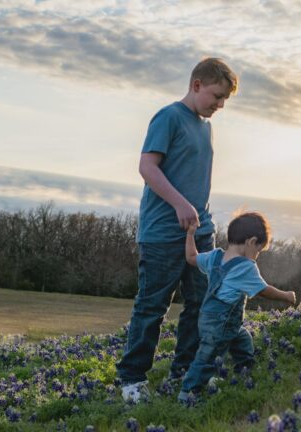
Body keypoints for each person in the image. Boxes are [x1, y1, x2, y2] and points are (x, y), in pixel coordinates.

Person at [117, 58, 239, 403]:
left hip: (199, 231)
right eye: (217, 96)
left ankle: (185, 371)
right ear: (197, 85)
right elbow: (147, 167)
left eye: (225, 100)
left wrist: (199, 213)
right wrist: (179, 204)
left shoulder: (205, 125)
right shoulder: (169, 116)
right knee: (152, 307)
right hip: (162, 232)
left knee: (201, 303)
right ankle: (132, 379)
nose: (220, 105)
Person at [178, 212, 297, 404]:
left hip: (210, 318)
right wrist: (286, 296)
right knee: (206, 358)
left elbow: (191, 257)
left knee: (242, 339)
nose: (257, 256)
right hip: (222, 323)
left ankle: (244, 370)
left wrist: (190, 234)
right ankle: (188, 394)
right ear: (251, 242)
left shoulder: (215, 256)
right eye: (258, 250)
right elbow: (264, 290)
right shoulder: (246, 267)